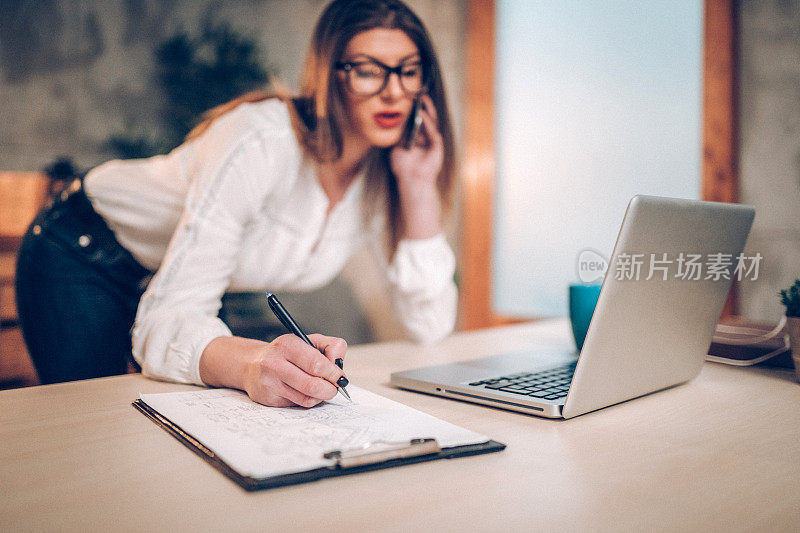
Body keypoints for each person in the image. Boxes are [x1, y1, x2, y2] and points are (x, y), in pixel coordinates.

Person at [15, 0, 457, 408]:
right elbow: (166, 321)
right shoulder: (260, 140)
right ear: (329, 75)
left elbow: (431, 326)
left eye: (409, 70)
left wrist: (418, 186)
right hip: (81, 248)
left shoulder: (382, 177)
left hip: (174, 277)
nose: (394, 91)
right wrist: (253, 364)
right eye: (367, 70)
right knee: (92, 420)